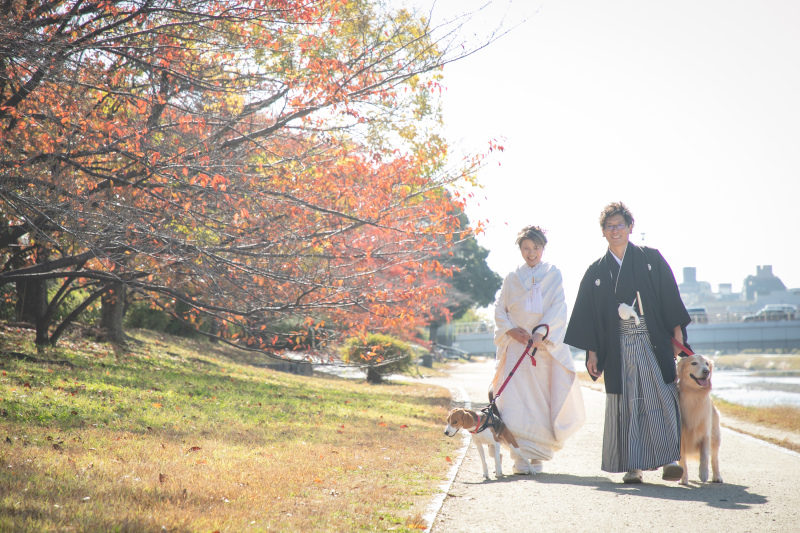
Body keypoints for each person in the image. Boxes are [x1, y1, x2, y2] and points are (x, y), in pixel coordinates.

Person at [564, 202, 690, 484]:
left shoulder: (651, 259)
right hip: (618, 344)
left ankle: (669, 458)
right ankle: (633, 466)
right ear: (603, 232)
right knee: (628, 403)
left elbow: (670, 297)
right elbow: (588, 315)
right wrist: (592, 353)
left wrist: (678, 334)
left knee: (661, 396)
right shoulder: (596, 271)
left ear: (631, 228)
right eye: (609, 226)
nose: (615, 230)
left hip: (651, 340)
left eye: (620, 225)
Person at [492, 225, 585, 474]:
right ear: (520, 249)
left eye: (535, 248)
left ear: (543, 248)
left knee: (541, 403)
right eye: (526, 248)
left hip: (542, 348)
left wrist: (541, 332)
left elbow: (558, 306)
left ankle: (538, 456)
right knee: (512, 402)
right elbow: (500, 309)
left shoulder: (553, 274)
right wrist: (511, 330)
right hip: (516, 347)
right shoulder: (512, 277)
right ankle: (518, 457)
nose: (531, 253)